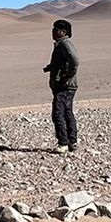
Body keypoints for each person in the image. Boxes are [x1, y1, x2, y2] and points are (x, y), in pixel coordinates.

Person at [42, 18, 80, 153]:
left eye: (55, 30)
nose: (52, 32)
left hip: (64, 86)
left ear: (63, 32)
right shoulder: (61, 45)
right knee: (67, 112)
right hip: (66, 85)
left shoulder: (65, 44)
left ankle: (63, 143)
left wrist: (67, 75)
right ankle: (72, 142)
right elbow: (64, 61)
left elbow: (74, 59)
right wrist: (51, 67)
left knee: (58, 113)